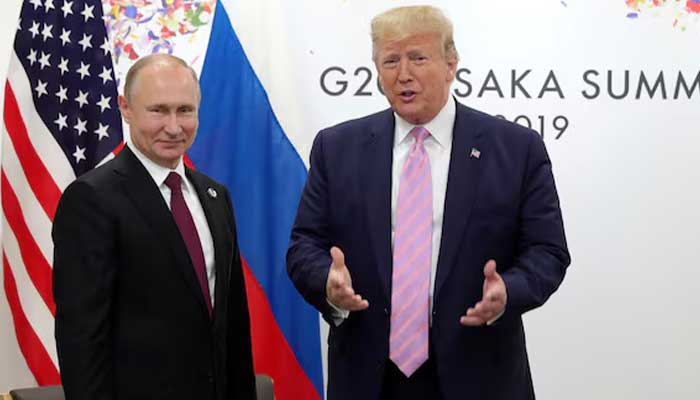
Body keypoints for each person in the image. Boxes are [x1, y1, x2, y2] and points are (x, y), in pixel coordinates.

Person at [287, 5, 570, 400]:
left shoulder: (516, 148)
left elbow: (548, 251)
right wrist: (327, 284)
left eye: (418, 58)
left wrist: (509, 289)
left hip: (480, 374)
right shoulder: (337, 149)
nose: (404, 74)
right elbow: (305, 245)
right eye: (391, 61)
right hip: (369, 378)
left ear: (451, 64)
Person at [52, 54, 256, 400]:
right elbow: (82, 338)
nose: (174, 127)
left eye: (185, 110)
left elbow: (233, 326)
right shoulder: (91, 199)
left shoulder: (214, 195)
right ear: (126, 108)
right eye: (158, 110)